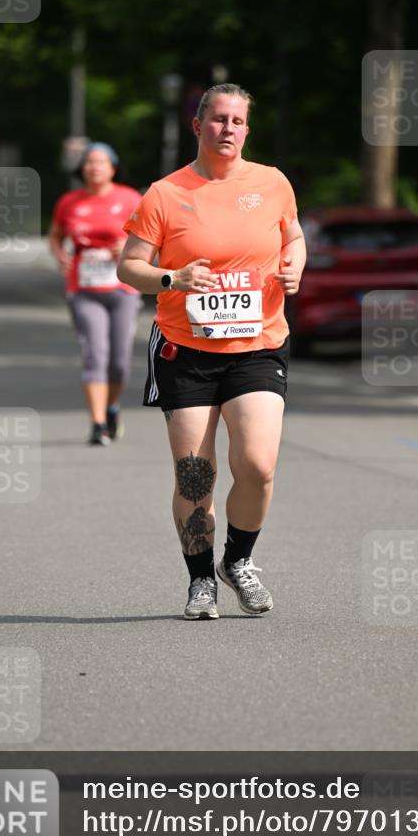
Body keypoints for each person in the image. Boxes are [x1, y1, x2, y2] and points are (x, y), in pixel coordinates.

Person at [118, 83, 306, 620]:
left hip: (258, 344)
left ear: (247, 129)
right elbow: (129, 266)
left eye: (238, 121)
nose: (229, 129)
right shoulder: (165, 194)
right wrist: (172, 278)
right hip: (186, 350)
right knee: (195, 476)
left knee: (257, 465)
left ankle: (238, 561)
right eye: (219, 119)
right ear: (198, 126)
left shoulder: (272, 183)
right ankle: (201, 580)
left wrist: (295, 266)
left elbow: (293, 237)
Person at [49, 142, 143, 445]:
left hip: (123, 288)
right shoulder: (70, 202)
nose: (94, 167)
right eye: (89, 161)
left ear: (113, 168)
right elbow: (55, 235)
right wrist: (59, 255)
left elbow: (149, 237)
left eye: (101, 161)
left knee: (119, 362)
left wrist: (127, 247)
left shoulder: (129, 198)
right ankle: (98, 423)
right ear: (82, 168)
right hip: (84, 288)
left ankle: (111, 407)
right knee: (95, 355)